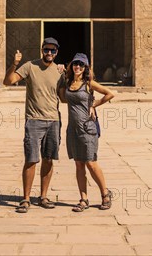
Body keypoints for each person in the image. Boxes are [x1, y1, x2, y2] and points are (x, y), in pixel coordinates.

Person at [3, 37, 64, 214]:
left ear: (57, 52)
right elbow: (8, 81)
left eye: (53, 50)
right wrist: (14, 64)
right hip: (34, 120)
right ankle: (26, 198)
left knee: (48, 159)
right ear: (42, 50)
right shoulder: (30, 66)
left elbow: (64, 98)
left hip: (53, 120)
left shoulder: (59, 72)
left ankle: (43, 196)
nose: (49, 53)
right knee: (31, 159)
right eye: (47, 50)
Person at [59, 52, 114, 212]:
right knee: (78, 164)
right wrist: (62, 79)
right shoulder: (68, 83)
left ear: (85, 68)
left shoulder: (89, 83)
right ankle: (83, 199)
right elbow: (63, 99)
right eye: (75, 64)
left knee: (91, 162)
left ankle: (105, 193)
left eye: (81, 65)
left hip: (88, 128)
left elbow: (110, 93)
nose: (77, 67)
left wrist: (94, 105)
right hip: (73, 130)